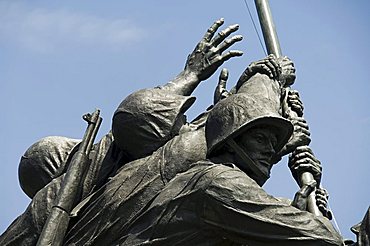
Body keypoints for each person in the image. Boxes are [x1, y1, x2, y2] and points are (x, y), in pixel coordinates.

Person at [118, 92, 344, 245]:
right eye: (260, 139)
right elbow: (325, 238)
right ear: (231, 140)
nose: (270, 149)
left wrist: (297, 207)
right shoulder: (219, 182)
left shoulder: (202, 177)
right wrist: (311, 215)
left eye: (273, 142)